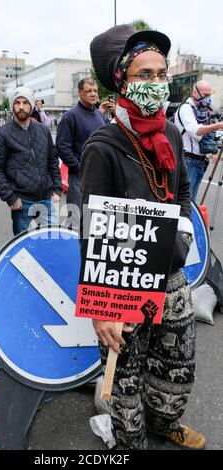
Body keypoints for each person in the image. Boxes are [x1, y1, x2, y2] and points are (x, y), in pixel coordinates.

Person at [80, 24, 206, 450]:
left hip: (171, 279)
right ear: (121, 81)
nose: (156, 82)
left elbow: (183, 191)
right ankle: (131, 444)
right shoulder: (103, 145)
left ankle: (164, 423)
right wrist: (101, 309)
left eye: (161, 73)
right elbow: (92, 231)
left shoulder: (169, 131)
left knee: (176, 366)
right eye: (144, 74)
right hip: (123, 286)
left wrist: (183, 238)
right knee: (125, 380)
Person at [0, 86, 62, 236]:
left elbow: (53, 160)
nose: (21, 107)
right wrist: (10, 197)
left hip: (47, 199)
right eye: (17, 102)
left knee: (51, 242)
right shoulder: (1, 134)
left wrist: (57, 188)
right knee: (22, 249)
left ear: (32, 105)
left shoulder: (43, 130)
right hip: (22, 202)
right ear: (12, 106)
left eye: (25, 102)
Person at [56, 78, 115, 228]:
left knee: (95, 222)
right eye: (89, 91)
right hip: (79, 178)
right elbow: (62, 147)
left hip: (100, 177)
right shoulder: (70, 116)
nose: (93, 94)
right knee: (76, 222)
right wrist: (79, 167)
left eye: (95, 91)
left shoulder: (99, 115)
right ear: (80, 93)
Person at [175, 80, 223, 200]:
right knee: (186, 201)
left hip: (200, 161)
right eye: (205, 95)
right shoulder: (186, 109)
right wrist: (218, 125)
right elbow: (195, 131)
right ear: (195, 92)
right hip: (188, 160)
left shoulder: (202, 110)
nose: (207, 98)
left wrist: (214, 151)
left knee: (192, 202)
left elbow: (208, 133)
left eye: (209, 95)